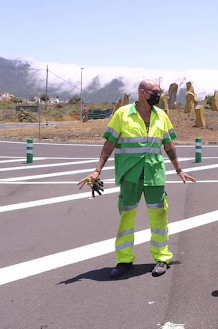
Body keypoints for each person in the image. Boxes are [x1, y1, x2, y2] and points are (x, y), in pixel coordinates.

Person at [78, 79, 196, 279]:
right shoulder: (122, 115)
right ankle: (124, 260)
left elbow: (169, 145)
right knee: (127, 217)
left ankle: (162, 258)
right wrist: (97, 170)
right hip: (130, 174)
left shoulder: (162, 116)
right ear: (142, 92)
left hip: (154, 174)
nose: (159, 95)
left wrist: (179, 170)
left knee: (159, 217)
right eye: (155, 92)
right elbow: (109, 144)